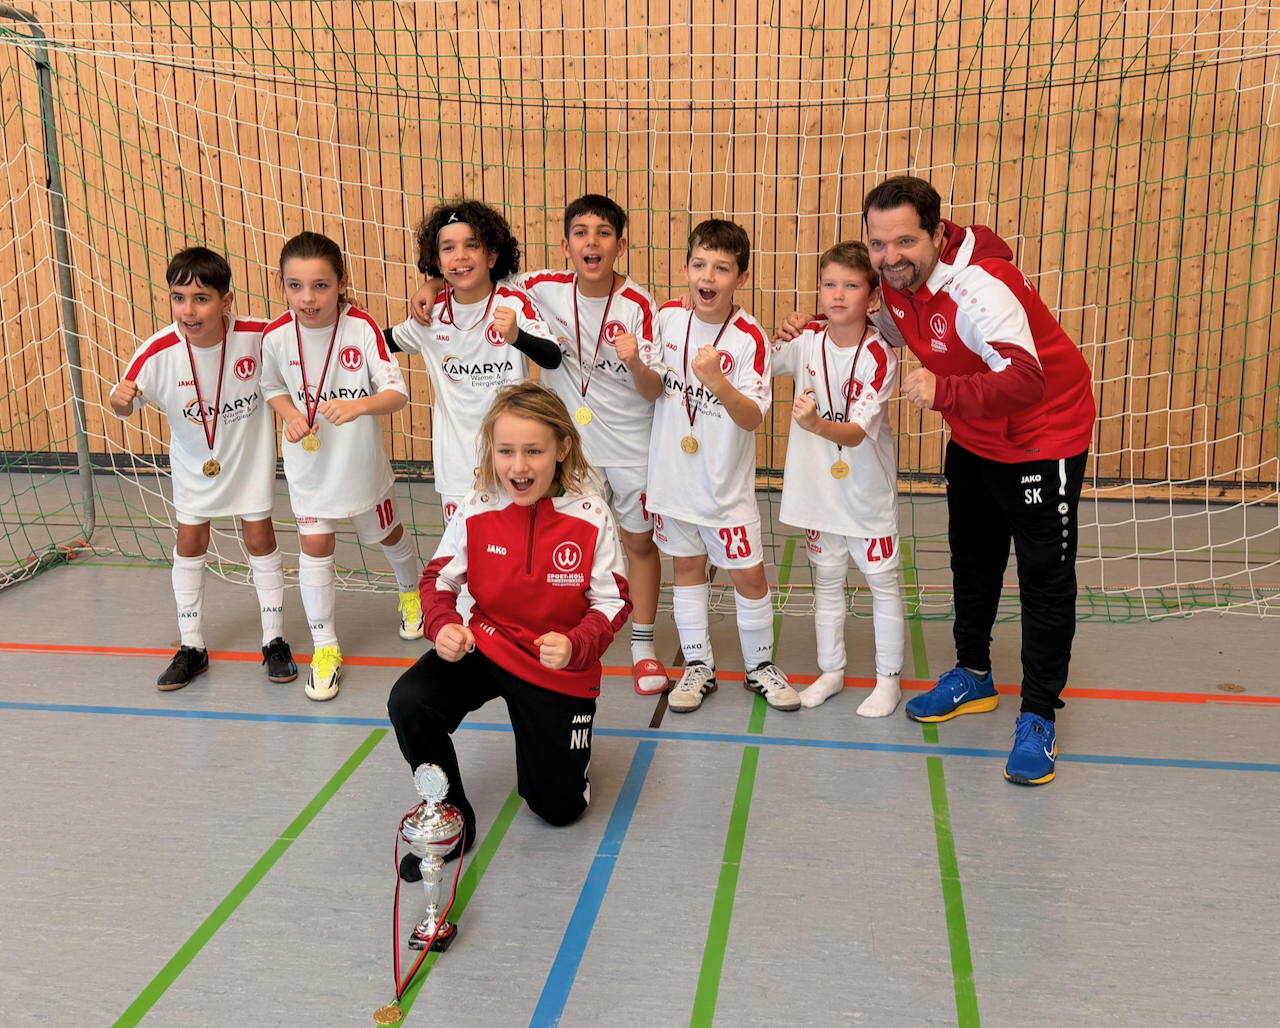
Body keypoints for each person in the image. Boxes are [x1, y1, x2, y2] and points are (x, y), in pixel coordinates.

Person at [865, 175, 1096, 785]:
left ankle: (1039, 714)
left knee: (1044, 580)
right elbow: (889, 326)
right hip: (975, 434)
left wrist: (944, 390)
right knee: (972, 560)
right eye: (878, 244)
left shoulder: (981, 286)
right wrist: (815, 322)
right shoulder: (897, 282)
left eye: (905, 242)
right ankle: (973, 675)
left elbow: (1026, 379)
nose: (890, 258)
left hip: (1042, 438)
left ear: (938, 234)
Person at [409, 194, 669, 695]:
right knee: (562, 544)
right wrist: (434, 283)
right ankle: (555, 640)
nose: (592, 242)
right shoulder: (538, 287)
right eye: (581, 233)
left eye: (604, 233)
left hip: (630, 446)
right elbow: (477, 274)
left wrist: (635, 361)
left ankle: (643, 647)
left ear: (621, 244)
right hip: (566, 449)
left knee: (638, 543)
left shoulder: (639, 304)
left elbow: (653, 389)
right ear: (566, 245)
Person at [387, 380, 631, 877]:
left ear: (562, 448)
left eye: (534, 451)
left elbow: (614, 601)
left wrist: (577, 644)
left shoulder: (591, 514)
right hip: (488, 645)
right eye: (506, 451)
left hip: (555, 665)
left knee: (558, 810)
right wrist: (443, 625)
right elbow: (437, 579)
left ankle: (562, 766)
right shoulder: (478, 505)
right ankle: (450, 819)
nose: (518, 467)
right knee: (410, 700)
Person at [109, 246, 296, 691]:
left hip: (247, 460)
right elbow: (125, 402)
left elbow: (306, 335)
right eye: (178, 298)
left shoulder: (259, 335)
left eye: (201, 299)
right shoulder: (158, 351)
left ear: (226, 301)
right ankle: (192, 646)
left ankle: (274, 639)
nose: (188, 310)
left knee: (259, 536)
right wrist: (119, 402)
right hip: (195, 465)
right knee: (191, 541)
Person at [647, 219, 799, 714]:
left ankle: (759, 666)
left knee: (748, 576)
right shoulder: (667, 317)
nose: (707, 276)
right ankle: (698, 665)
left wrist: (716, 380)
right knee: (687, 569)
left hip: (724, 490)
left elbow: (752, 417)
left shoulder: (749, 337)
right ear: (686, 269)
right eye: (699, 264)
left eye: (721, 268)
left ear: (741, 277)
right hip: (673, 481)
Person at [260, 231, 418, 701]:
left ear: (341, 284)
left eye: (320, 286)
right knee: (315, 546)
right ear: (283, 285)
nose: (307, 298)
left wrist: (358, 406)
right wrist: (289, 415)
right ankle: (325, 647)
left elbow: (398, 393)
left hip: (360, 465)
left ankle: (412, 593)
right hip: (310, 469)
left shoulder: (362, 327)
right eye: (295, 286)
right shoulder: (275, 336)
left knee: (387, 534)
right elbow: (272, 386)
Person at [770, 241, 904, 715]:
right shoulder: (806, 338)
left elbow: (855, 432)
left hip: (866, 496)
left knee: (882, 583)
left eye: (851, 285)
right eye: (829, 284)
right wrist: (780, 330)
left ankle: (888, 681)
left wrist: (815, 425)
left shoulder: (880, 355)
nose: (838, 295)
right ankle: (831, 671)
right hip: (818, 494)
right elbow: (757, 360)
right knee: (826, 582)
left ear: (873, 297)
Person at [383, 199, 562, 531]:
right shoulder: (431, 314)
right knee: (464, 555)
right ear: (438, 261)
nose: (460, 256)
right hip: (457, 467)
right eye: (448, 248)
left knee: (516, 549)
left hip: (514, 462)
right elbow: (380, 342)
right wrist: (343, 316)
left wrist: (517, 336)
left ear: (491, 256)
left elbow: (552, 356)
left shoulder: (512, 302)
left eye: (472, 245)